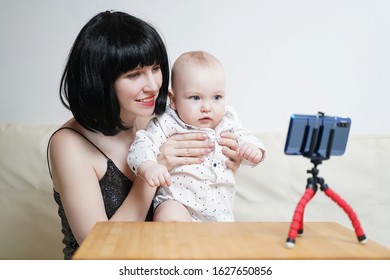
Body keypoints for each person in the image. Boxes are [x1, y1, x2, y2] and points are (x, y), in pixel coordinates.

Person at [47, 12, 241, 259]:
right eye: (134, 74)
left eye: (156, 68)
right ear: (100, 80)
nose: (152, 85)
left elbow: (195, 197)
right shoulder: (69, 144)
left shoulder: (158, 121)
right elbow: (97, 252)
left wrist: (227, 163)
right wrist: (154, 169)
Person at [128, 51, 266, 222]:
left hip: (219, 210)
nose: (207, 107)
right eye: (195, 98)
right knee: (169, 214)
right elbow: (142, 144)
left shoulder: (228, 120)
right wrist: (149, 166)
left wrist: (253, 150)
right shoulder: (167, 122)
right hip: (178, 202)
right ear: (174, 100)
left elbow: (246, 138)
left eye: (216, 97)